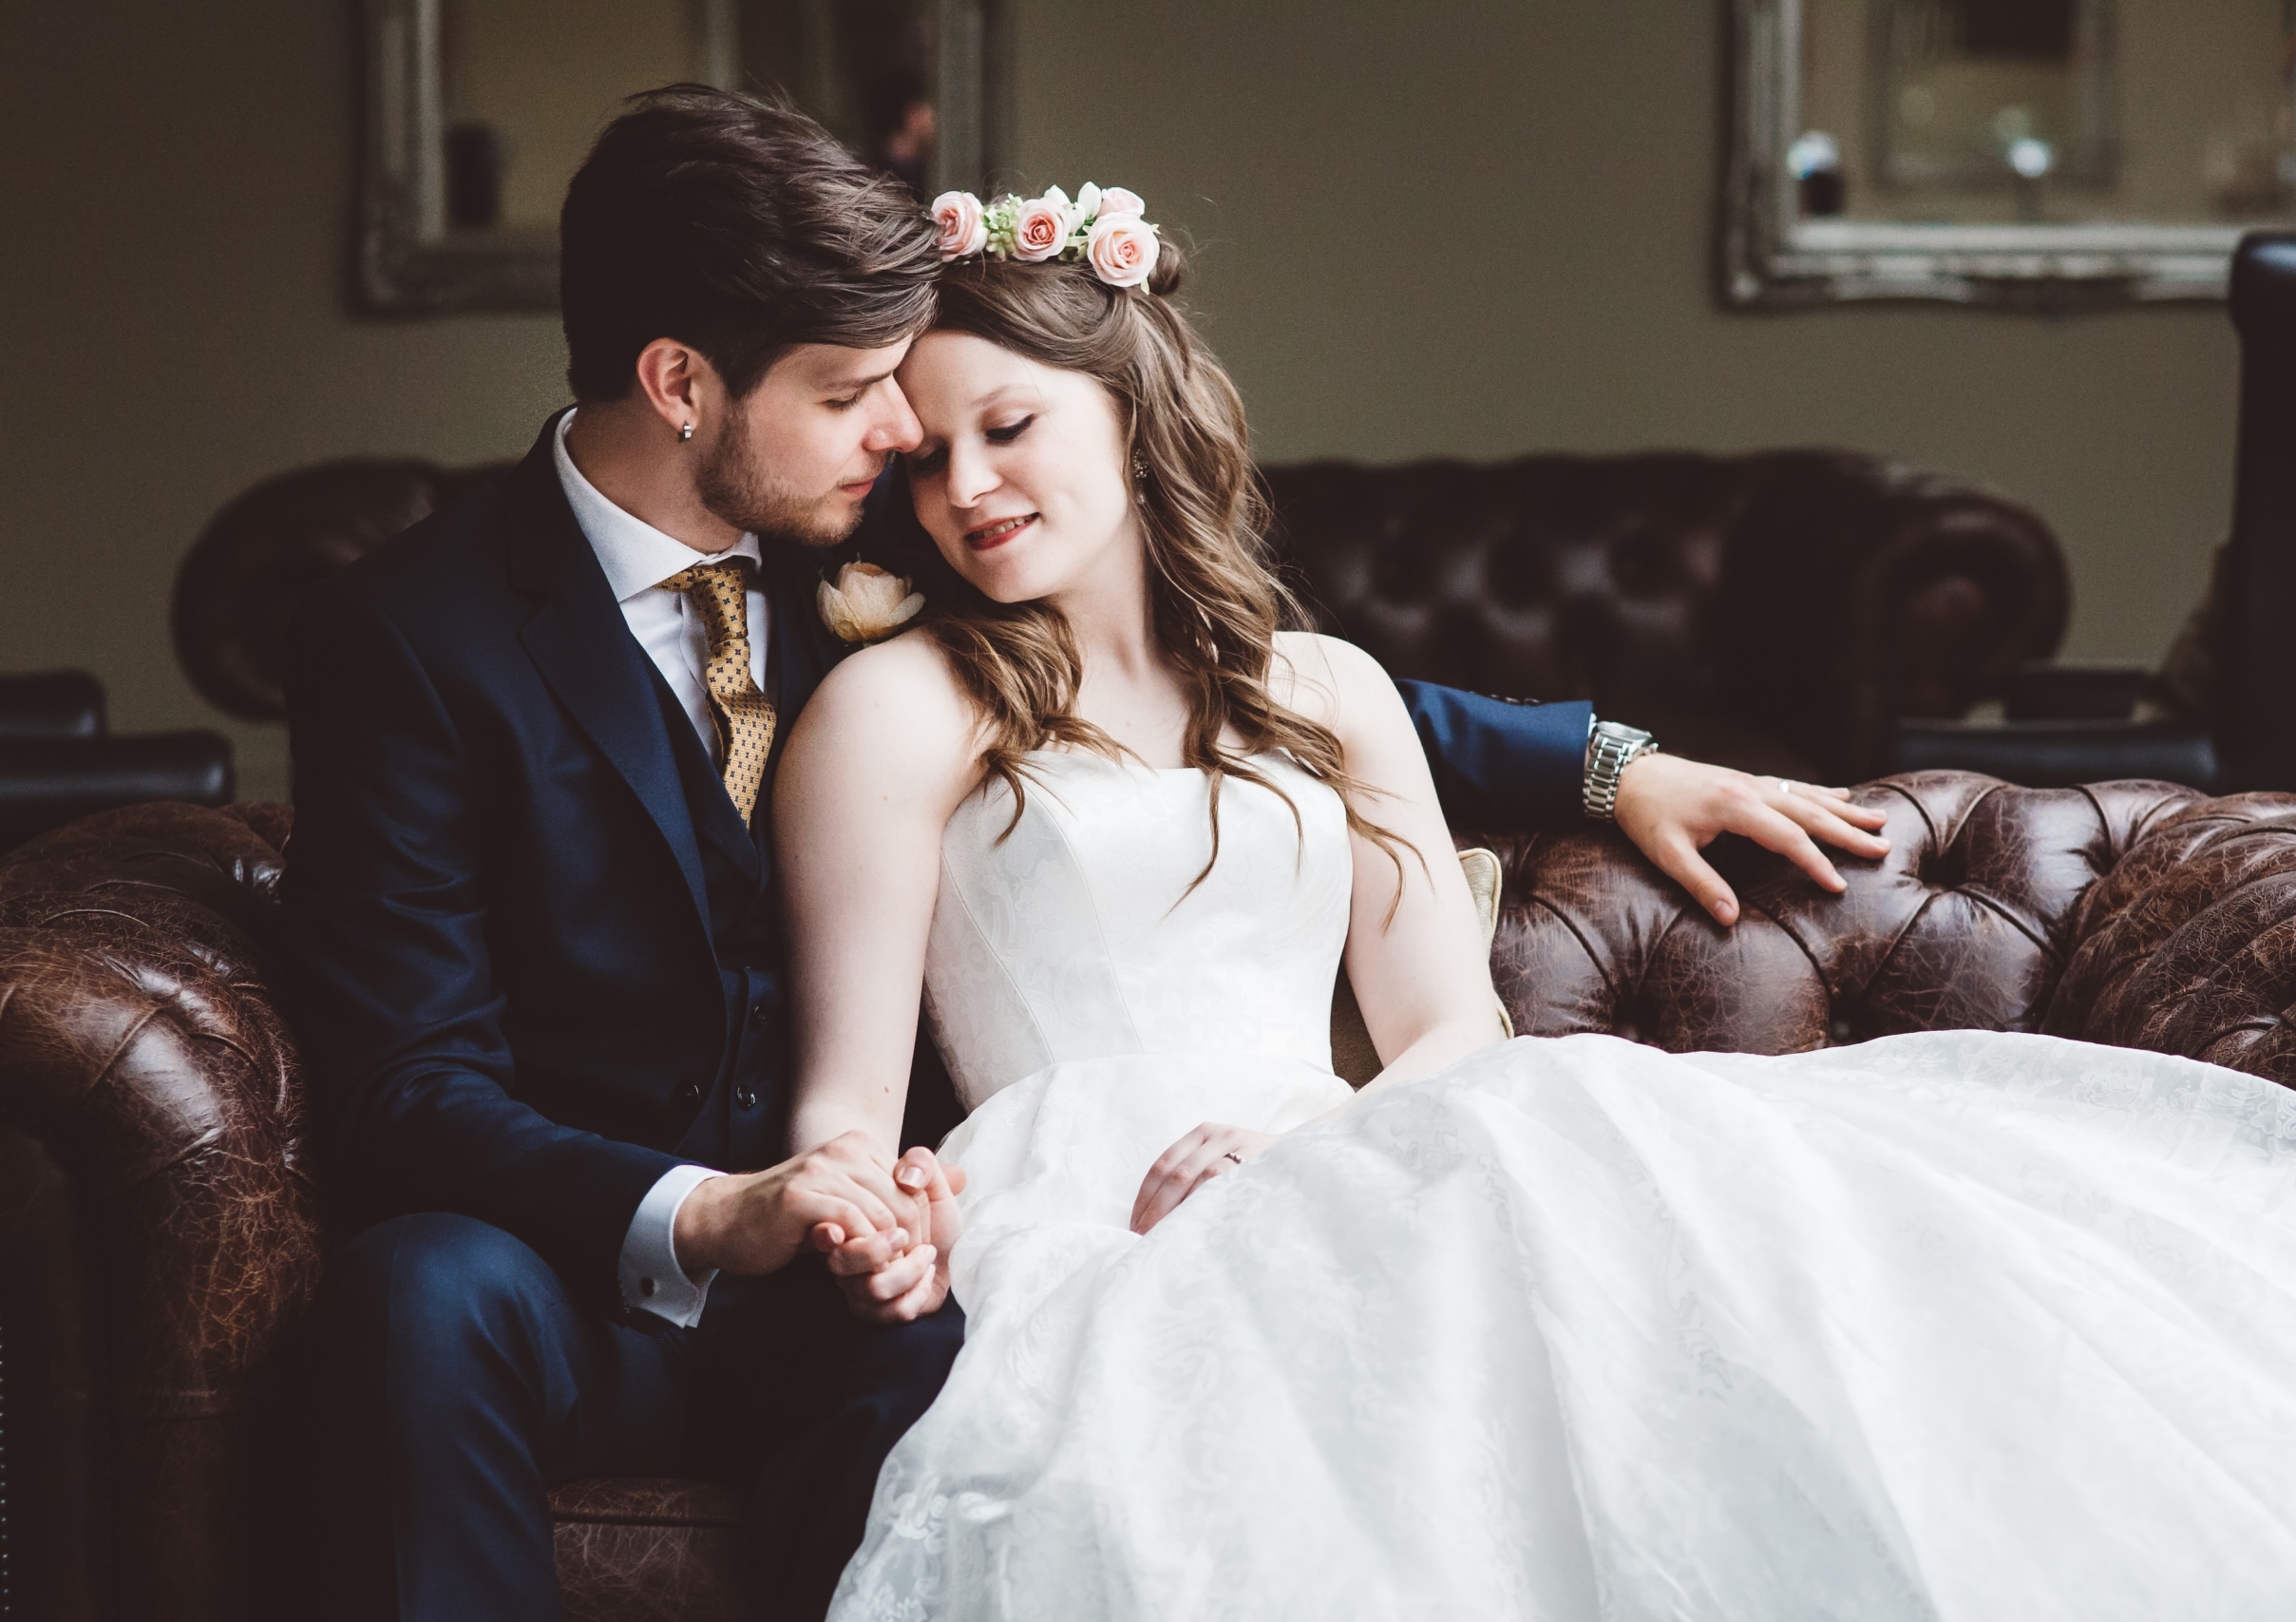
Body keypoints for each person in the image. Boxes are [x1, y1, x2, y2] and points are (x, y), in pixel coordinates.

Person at [280, 89, 1877, 1620]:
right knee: (423, 1292)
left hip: (899, 1261)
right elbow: (408, 1084)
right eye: (860, 399)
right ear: (682, 383)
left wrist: (1608, 763)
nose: (914, 443)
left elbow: (1225, 703)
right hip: (637, 1253)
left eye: (944, 409)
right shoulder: (419, 640)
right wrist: (718, 1211)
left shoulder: (862, 543)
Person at [780, 192, 2296, 1619]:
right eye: (925, 462)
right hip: (1083, 1189)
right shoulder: (901, 708)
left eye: (1013, 427)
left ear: (1129, 414)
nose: (967, 490)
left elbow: (1439, 1026)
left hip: (1344, 1139)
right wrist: (866, 1220)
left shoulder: (1328, 691)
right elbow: (846, 1095)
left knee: (1720, 1298)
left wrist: (1307, 1148)